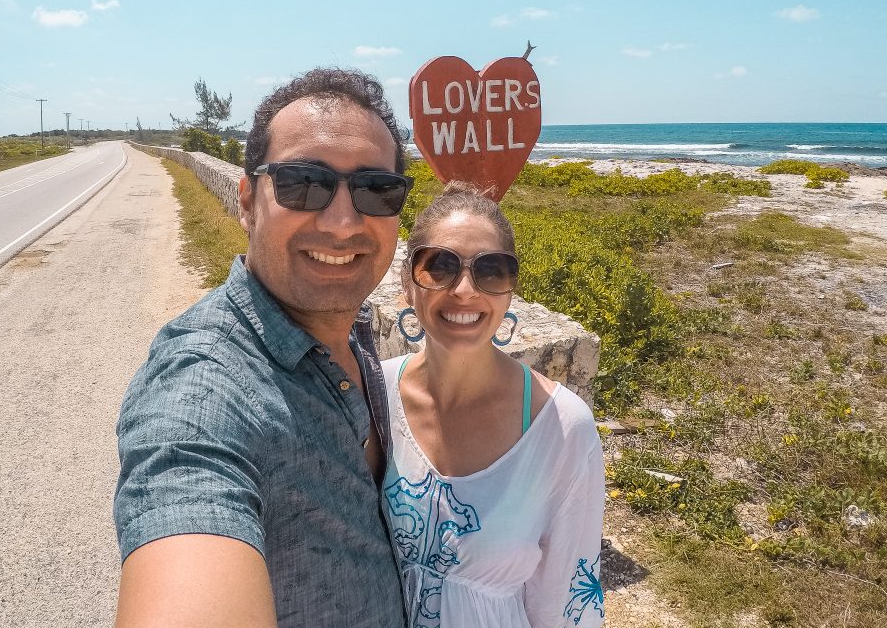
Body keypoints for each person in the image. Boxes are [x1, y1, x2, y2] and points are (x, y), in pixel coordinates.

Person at [113, 68, 411, 628]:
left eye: (376, 190)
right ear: (248, 201)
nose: (344, 223)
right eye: (304, 184)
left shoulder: (355, 331)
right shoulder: (203, 387)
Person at [383, 182, 605, 628]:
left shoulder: (562, 429)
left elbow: (567, 605)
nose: (465, 290)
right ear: (409, 282)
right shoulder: (376, 395)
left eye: (492, 270)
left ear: (510, 291)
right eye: (439, 266)